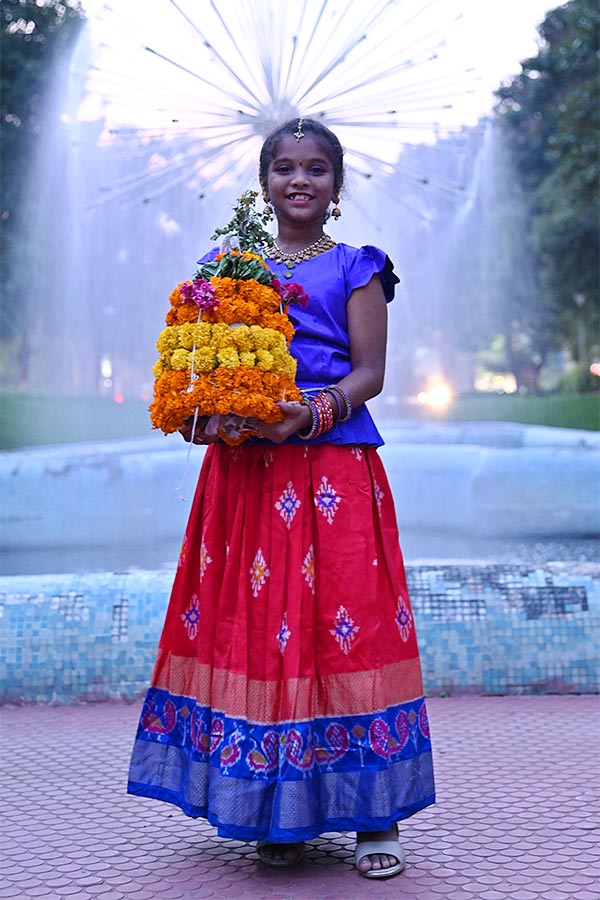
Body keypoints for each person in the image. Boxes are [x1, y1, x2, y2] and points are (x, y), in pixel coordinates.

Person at [128, 117, 435, 879]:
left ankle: (375, 819)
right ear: (263, 182)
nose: (301, 180)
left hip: (331, 469)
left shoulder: (358, 266)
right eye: (285, 168)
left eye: (317, 169)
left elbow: (369, 374)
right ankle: (281, 810)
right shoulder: (225, 267)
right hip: (247, 477)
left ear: (337, 186)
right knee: (262, 629)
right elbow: (196, 358)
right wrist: (203, 413)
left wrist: (311, 411)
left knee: (350, 627)